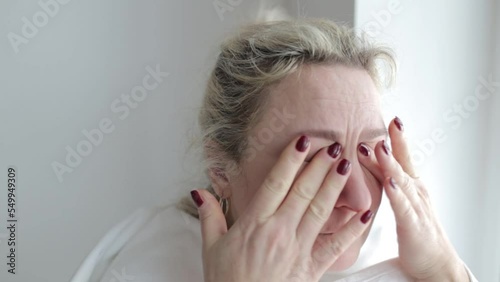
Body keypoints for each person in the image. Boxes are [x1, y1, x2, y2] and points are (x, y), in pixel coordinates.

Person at [71, 18, 478, 282]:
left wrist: (448, 272)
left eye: (371, 151)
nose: (356, 200)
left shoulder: (407, 253)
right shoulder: (143, 264)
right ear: (221, 169)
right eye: (317, 159)